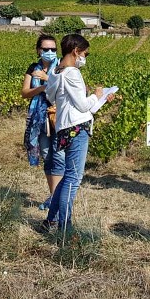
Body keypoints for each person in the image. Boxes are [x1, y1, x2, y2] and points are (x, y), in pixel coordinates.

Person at [44, 34, 112, 231]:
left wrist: (100, 101)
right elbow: (83, 106)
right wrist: (96, 95)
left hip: (65, 127)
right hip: (78, 129)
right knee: (73, 179)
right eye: (85, 53)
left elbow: (64, 102)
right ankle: (65, 227)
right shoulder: (72, 73)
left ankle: (50, 221)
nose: (85, 57)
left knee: (67, 177)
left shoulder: (56, 72)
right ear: (75, 51)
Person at [21, 34, 65, 210]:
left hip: (59, 116)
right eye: (46, 49)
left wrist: (47, 79)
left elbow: (69, 88)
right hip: (40, 119)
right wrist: (40, 88)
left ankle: (58, 198)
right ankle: (54, 196)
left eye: (53, 49)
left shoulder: (62, 66)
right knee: (47, 155)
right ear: (39, 50)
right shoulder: (33, 68)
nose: (49, 52)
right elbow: (24, 92)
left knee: (59, 156)